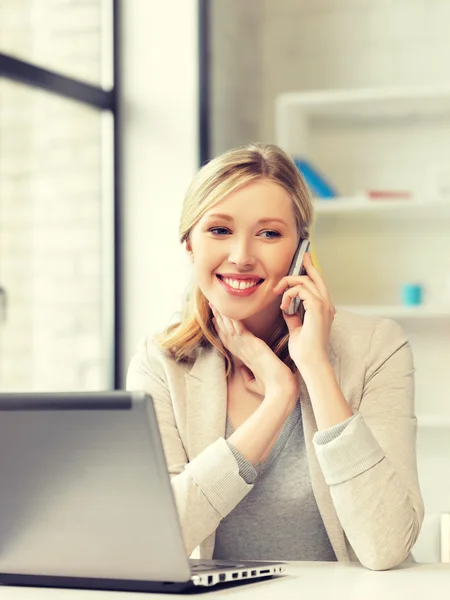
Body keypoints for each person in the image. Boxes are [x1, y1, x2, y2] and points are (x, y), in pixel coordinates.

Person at [126, 143, 424, 571]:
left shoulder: (376, 347)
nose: (242, 256)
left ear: (300, 251)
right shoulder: (161, 363)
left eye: (269, 233)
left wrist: (315, 369)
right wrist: (278, 397)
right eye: (219, 230)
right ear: (189, 244)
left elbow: (386, 546)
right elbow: (154, 540)